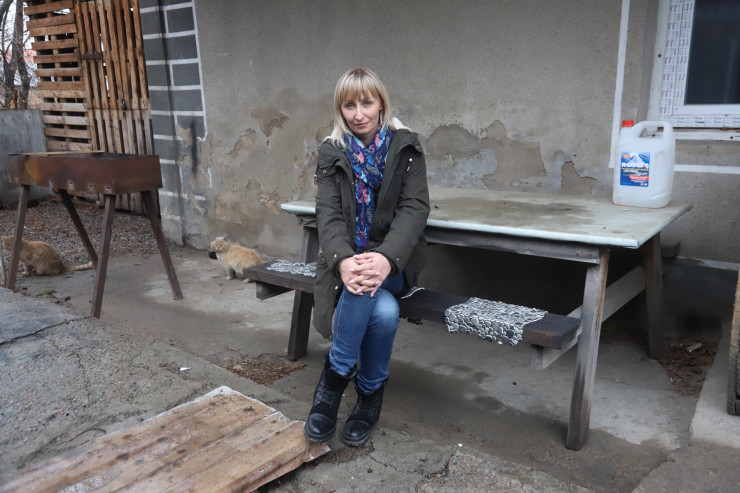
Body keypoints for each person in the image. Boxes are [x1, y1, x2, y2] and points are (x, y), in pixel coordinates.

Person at [304, 68, 430, 447]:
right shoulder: (332, 152)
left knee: (362, 285)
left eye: (366, 103)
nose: (359, 114)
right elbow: (327, 214)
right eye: (349, 105)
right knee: (385, 310)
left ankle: (333, 381)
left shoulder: (405, 148)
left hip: (394, 264)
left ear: (381, 104)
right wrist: (343, 260)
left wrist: (386, 258)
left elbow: (414, 208)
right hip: (347, 262)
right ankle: (370, 393)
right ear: (339, 109)